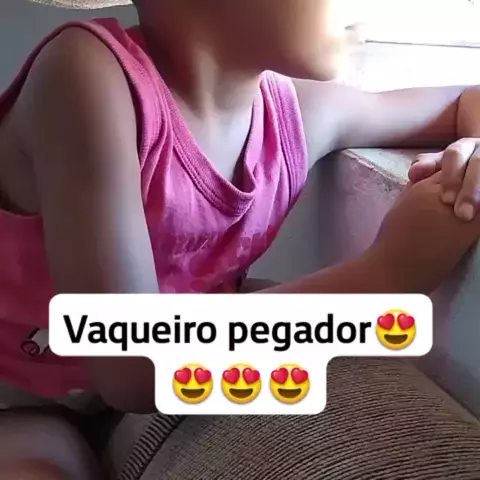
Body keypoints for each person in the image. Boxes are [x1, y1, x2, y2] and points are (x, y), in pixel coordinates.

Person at [1, 0, 480, 478]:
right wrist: (385, 278)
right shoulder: (86, 74)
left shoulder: (294, 116)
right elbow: (132, 363)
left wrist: (472, 152)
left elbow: (466, 99)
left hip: (107, 407)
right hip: (15, 397)